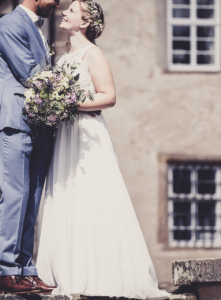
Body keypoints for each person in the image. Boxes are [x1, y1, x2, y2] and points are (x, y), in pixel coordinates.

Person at [36, 1, 170, 299]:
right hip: (65, 134)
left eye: (71, 10)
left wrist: (71, 103)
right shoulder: (64, 56)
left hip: (86, 135)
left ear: (84, 22)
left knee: (92, 194)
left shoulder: (92, 54)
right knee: (66, 195)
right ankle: (69, 272)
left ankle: (101, 273)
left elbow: (109, 97)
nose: (65, 12)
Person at [0, 0, 61, 295]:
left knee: (32, 198)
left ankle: (26, 270)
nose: (57, 2)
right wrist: (69, 89)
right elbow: (31, 74)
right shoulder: (10, 24)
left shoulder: (37, 28)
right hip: (15, 120)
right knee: (15, 195)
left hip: (39, 124)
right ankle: (8, 271)